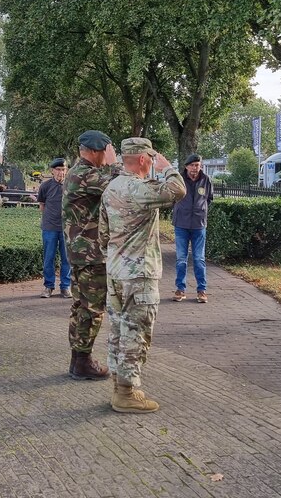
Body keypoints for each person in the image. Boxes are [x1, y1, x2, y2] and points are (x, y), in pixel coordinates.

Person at [99, 137, 186, 413]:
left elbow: (103, 234)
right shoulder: (139, 188)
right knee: (136, 332)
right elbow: (178, 190)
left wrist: (115, 258)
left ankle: (119, 385)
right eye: (151, 158)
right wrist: (167, 166)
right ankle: (126, 393)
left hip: (115, 271)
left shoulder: (111, 187)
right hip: (138, 275)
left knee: (118, 330)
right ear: (143, 159)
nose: (152, 162)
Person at [62, 130, 121, 380]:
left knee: (80, 306)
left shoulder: (79, 171)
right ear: (96, 152)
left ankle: (78, 360)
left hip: (81, 252)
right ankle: (83, 361)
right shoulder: (85, 174)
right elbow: (119, 183)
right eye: (104, 151)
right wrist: (115, 160)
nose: (105, 156)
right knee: (92, 308)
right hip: (90, 253)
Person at [172, 153, 213, 303]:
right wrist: (179, 210)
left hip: (199, 225)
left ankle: (201, 290)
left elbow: (209, 199)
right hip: (181, 224)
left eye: (198, 165)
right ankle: (180, 289)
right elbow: (172, 197)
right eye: (192, 165)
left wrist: (201, 211)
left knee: (199, 259)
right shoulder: (179, 179)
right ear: (186, 166)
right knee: (181, 259)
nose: (195, 168)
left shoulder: (206, 180)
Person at [37, 158, 71, 299]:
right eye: (58, 169)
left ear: (66, 170)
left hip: (66, 228)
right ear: (52, 171)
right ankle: (48, 286)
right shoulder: (45, 186)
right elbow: (42, 205)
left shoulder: (71, 186)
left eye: (63, 169)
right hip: (50, 227)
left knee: (66, 259)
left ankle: (65, 287)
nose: (60, 172)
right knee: (49, 257)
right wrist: (48, 219)